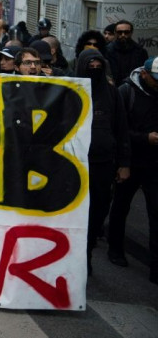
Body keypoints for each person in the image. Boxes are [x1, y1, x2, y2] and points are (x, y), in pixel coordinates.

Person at [74, 49, 131, 276]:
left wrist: (124, 163)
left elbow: (121, 129)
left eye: (99, 65)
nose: (95, 69)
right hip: (74, 164)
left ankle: (87, 253)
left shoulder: (111, 93)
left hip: (102, 166)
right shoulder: (70, 91)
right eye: (91, 66)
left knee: (97, 212)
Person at [109, 56, 158, 284]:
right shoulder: (126, 92)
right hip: (130, 161)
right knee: (120, 206)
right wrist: (144, 138)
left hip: (154, 165)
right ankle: (115, 249)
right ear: (145, 74)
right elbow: (118, 130)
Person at [105, 20, 149, 85]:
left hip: (133, 88)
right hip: (113, 89)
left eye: (126, 32)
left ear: (131, 33)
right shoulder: (107, 50)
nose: (123, 35)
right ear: (115, 33)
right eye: (120, 32)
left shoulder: (140, 51)